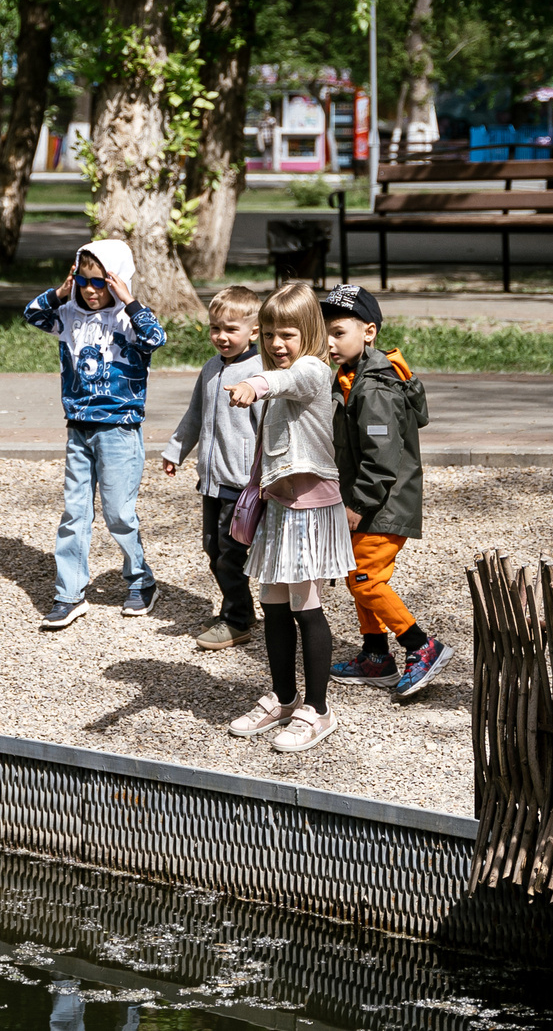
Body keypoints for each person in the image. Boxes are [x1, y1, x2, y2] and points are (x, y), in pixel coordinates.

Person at [223, 281, 349, 754]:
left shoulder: (313, 370)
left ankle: (317, 709)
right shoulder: (286, 368)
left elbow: (281, 381)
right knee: (273, 603)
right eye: (271, 334)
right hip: (280, 507)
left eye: (288, 335)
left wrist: (251, 386)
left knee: (306, 605)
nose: (277, 344)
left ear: (310, 333)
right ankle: (283, 694)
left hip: (312, 508)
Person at [22, 238, 168, 629]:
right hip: (80, 429)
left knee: (119, 513)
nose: (90, 290)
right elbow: (33, 314)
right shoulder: (67, 314)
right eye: (84, 281)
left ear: (117, 282)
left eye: (100, 283)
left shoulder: (129, 320)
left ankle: (141, 580)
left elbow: (157, 338)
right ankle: (69, 593)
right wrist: (59, 292)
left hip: (119, 430)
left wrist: (131, 301)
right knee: (75, 513)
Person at [320, 285, 451, 701]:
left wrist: (357, 503)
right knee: (356, 571)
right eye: (325, 332)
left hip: (381, 502)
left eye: (338, 332)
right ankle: (376, 656)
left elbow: (381, 458)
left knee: (364, 578)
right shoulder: (353, 376)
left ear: (369, 332)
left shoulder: (374, 387)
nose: (329, 341)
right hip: (371, 500)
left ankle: (420, 646)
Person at [160, 284, 261, 650]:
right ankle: (242, 609)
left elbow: (269, 429)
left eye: (231, 329)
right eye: (215, 327)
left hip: (242, 484)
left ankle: (236, 620)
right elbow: (195, 415)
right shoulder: (211, 369)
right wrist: (176, 450)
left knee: (231, 552)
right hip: (212, 482)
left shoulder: (259, 373)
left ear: (254, 331)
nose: (221, 336)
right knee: (213, 549)